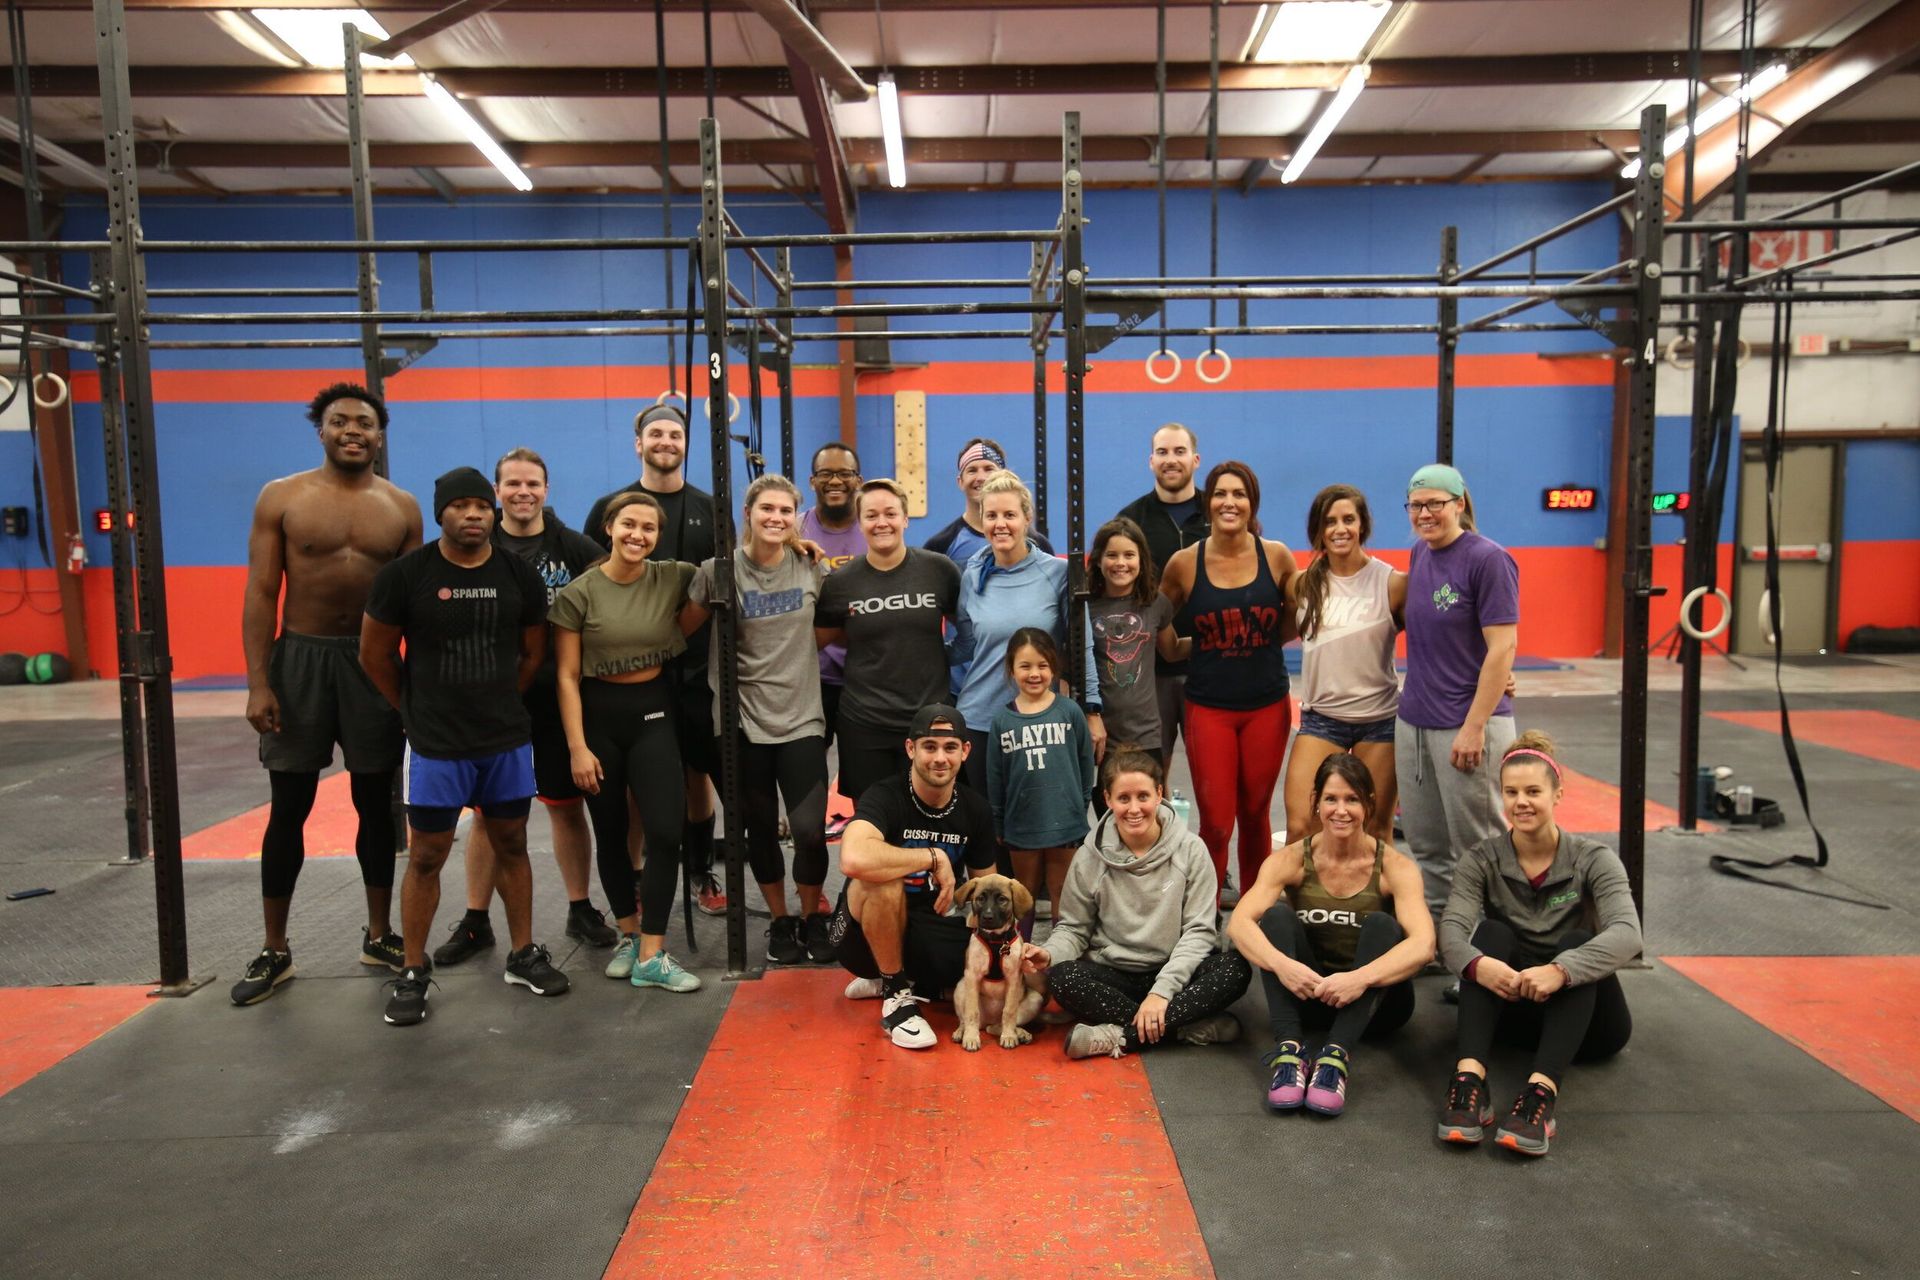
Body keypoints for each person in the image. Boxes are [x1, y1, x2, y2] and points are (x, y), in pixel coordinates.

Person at [231, 383, 420, 1007]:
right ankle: (275, 949)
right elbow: (261, 592)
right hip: (301, 658)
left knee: (377, 804)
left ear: (379, 433)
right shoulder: (282, 498)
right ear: (321, 430)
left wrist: (416, 688)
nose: (351, 431)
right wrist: (259, 680)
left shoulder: (402, 507)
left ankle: (380, 933)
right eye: (339, 421)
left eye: (363, 423)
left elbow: (415, 606)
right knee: (290, 806)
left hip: (372, 664)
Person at [360, 467, 571, 1027]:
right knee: (427, 855)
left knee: (512, 844)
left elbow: (532, 654)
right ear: (441, 513)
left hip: (503, 739)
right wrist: (412, 710)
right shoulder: (406, 576)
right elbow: (375, 655)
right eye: (461, 506)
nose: (473, 514)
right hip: (435, 743)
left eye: (482, 505)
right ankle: (411, 970)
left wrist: (500, 701)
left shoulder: (517, 575)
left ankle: (522, 954)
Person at [436, 448, 616, 969]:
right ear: (497, 491)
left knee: (566, 806)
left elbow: (618, 585)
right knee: (489, 815)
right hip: (491, 703)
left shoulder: (575, 547)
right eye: (512, 483)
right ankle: (475, 919)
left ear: (546, 488)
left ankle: (580, 907)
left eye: (532, 483)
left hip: (558, 699)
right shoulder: (473, 546)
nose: (523, 492)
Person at [1436, 731, 1638, 1157]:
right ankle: (1469, 1082)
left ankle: (1540, 1095)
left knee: (1579, 944)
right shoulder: (1482, 858)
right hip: (1514, 1011)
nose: (1521, 802)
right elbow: (1451, 932)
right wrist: (1477, 967)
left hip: (1588, 1027)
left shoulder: (1593, 858)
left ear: (1557, 794)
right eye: (1511, 792)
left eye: (1533, 791)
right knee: (1490, 937)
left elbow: (1627, 934)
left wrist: (1560, 971)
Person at [550, 490, 702, 994]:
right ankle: (630, 936)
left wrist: (799, 543)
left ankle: (653, 953)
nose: (639, 535)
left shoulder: (672, 575)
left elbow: (733, 565)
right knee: (612, 834)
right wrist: (577, 746)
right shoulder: (579, 593)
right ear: (609, 528)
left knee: (663, 832)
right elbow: (567, 676)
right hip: (598, 719)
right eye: (629, 525)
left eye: (649, 528)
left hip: (654, 712)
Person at [1227, 753, 1433, 1118]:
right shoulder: (1290, 860)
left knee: (1384, 926)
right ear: (1316, 804)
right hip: (1312, 996)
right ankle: (1289, 1052)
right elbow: (1239, 922)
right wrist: (1282, 965)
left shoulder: (1394, 867)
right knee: (1275, 918)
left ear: (1369, 805)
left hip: (1376, 1007)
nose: (1341, 810)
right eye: (1332, 799)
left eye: (1352, 799)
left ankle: (1335, 1058)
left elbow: (1423, 945)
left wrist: (1360, 978)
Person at [684, 475, 834, 965]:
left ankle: (812, 917)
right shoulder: (716, 572)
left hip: (802, 718)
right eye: (766, 508)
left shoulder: (812, 567)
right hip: (741, 721)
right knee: (759, 830)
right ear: (747, 513)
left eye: (785, 511)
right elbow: (682, 628)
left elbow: (830, 629)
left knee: (810, 830)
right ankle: (780, 921)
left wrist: (793, 661)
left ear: (797, 518)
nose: (775, 517)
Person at [583, 403, 725, 917]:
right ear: (638, 442)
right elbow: (589, 582)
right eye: (656, 433)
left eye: (676, 433)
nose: (667, 441)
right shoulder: (613, 507)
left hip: (694, 667)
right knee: (634, 785)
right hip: (629, 679)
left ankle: (701, 867)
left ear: (686, 444)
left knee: (696, 772)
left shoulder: (711, 507)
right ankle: (638, 877)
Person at [1025, 747, 1251, 1060]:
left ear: (1160, 794)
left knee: (1234, 969)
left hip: (1175, 969)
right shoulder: (1089, 858)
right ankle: (1183, 1027)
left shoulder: (1190, 850)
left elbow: (1199, 932)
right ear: (1107, 799)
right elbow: (1075, 929)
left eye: (1143, 796)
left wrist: (1162, 992)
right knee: (1063, 977)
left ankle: (1120, 1035)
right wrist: (1049, 952)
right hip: (1115, 973)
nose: (1134, 808)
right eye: (1123, 798)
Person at [1157, 461, 1298, 900]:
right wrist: (1184, 647)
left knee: (1256, 814)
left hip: (1266, 706)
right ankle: (1204, 915)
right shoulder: (1184, 563)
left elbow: (1291, 624)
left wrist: (1245, 635)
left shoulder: (1275, 555)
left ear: (1251, 502)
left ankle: (1253, 915)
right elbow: (1157, 621)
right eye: (1220, 494)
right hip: (1209, 709)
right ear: (1208, 501)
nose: (1229, 502)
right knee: (1216, 822)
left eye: (1239, 494)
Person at [830, 705, 998, 1050]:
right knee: (881, 879)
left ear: (965, 752)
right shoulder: (885, 794)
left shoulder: (975, 809)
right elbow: (852, 858)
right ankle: (896, 995)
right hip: (858, 936)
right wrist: (931, 856)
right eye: (929, 747)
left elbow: (989, 891)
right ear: (911, 749)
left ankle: (907, 979)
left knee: (989, 977)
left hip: (927, 923)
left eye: (950, 748)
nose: (940, 758)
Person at [1395, 463, 1519, 928]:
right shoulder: (1419, 555)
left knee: (1479, 846)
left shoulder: (1488, 559)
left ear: (1459, 503)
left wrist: (1475, 725)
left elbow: (1503, 645)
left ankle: (1490, 946)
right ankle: (1446, 943)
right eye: (1416, 505)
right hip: (1415, 723)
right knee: (1427, 845)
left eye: (1435, 504)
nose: (1425, 514)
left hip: (1467, 725)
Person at [949, 471, 1101, 812]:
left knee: (1036, 830)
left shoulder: (1057, 574)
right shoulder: (973, 573)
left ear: (1027, 519)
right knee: (990, 832)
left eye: (1009, 515)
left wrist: (1091, 710)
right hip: (979, 720)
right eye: (991, 515)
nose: (1000, 524)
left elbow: (1083, 646)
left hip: (1039, 723)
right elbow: (965, 644)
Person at [814, 479, 961, 803]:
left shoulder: (939, 571)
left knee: (931, 824)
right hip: (865, 725)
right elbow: (811, 645)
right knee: (872, 828)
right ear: (859, 522)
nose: (882, 522)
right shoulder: (840, 584)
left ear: (905, 518)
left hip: (930, 721)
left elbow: (971, 630)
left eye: (891, 514)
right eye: (871, 515)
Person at [1283, 484, 1406, 844]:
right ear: (1318, 530)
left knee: (1375, 830)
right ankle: (1306, 901)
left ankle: (1372, 902)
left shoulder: (1393, 583)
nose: (1340, 529)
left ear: (1362, 525)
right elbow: (1268, 635)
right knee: (1302, 827)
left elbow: (1439, 641)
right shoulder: (1301, 585)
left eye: (1348, 520)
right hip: (1322, 720)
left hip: (1380, 723)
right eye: (1330, 521)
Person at [987, 629, 1096, 925]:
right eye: (1025, 666)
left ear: (1053, 668)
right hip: (1022, 825)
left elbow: (1086, 764)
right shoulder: (1002, 720)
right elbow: (995, 777)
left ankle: (1059, 963)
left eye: (1042, 665)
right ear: (1011, 669)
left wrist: (1080, 804)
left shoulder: (1069, 711)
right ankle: (1019, 959)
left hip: (1066, 822)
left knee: (1064, 894)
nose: (1034, 673)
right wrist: (999, 821)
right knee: (1023, 896)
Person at [1115, 423, 1208, 755]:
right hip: (1149, 674)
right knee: (1151, 776)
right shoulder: (1130, 521)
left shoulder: (1220, 515)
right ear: (1150, 461)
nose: (1171, 460)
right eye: (1163, 452)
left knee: (1213, 778)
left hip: (1211, 668)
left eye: (1180, 451)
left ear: (1196, 459)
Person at [1086, 516, 1180, 780]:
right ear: (1098, 559)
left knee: (1144, 813)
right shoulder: (1084, 606)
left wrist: (1214, 641)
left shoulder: (1155, 603)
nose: (1120, 563)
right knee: (1108, 814)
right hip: (1100, 733)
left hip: (1146, 734)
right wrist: (1086, 717)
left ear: (1141, 560)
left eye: (1129, 555)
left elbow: (1171, 650)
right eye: (1112, 555)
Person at [799, 443, 866, 747]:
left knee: (864, 779)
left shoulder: (874, 528)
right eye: (826, 474)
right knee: (808, 776)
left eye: (844, 474)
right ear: (812, 481)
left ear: (858, 480)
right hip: (813, 680)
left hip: (865, 677)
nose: (835, 482)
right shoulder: (795, 530)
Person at [922, 437, 1053, 565]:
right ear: (960, 482)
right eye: (972, 470)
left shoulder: (1037, 543)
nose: (981, 477)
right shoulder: (940, 547)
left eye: (989, 469)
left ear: (1003, 476)